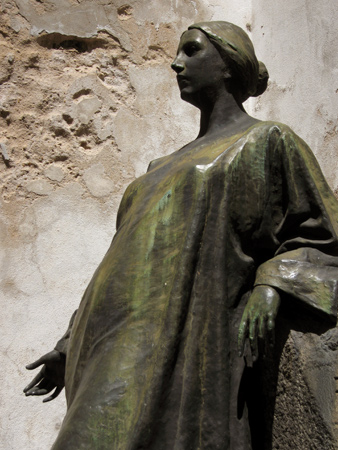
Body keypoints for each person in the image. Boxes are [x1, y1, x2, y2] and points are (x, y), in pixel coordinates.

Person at [24, 21, 338, 449]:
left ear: (229, 65)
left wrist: (273, 284)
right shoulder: (157, 167)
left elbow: (322, 233)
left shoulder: (266, 140)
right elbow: (121, 258)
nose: (176, 63)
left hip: (172, 333)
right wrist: (67, 343)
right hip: (103, 335)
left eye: (191, 51)